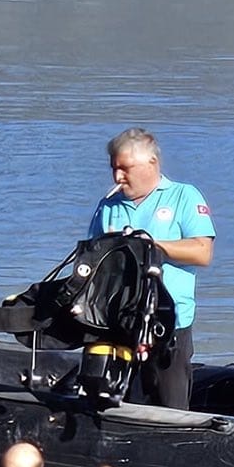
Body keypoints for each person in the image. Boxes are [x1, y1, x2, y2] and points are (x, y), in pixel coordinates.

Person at [88, 126, 214, 408]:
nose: (117, 177)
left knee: (171, 407)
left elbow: (202, 252)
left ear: (152, 163)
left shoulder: (184, 196)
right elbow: (92, 259)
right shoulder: (108, 205)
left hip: (168, 324)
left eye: (125, 169)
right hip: (119, 325)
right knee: (117, 406)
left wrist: (151, 246)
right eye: (114, 169)